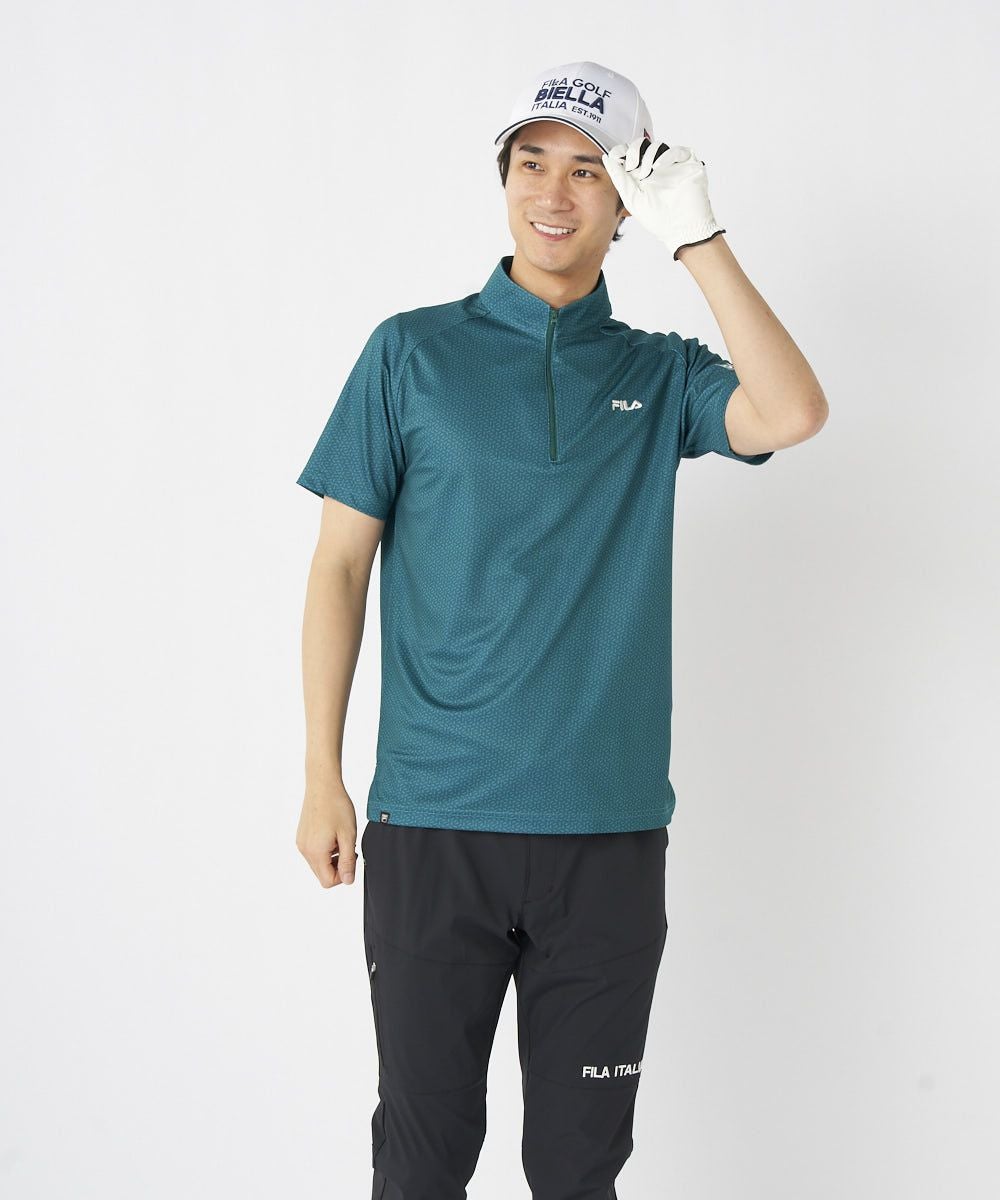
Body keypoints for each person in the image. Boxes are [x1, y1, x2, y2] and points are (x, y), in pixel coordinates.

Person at [295, 59, 827, 1200]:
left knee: (579, 1171)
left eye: (588, 172)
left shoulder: (658, 374)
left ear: (624, 202)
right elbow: (339, 566)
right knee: (422, 1160)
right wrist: (321, 775)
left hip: (607, 834)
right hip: (434, 821)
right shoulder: (409, 353)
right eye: (531, 163)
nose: (553, 192)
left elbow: (791, 411)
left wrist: (699, 241)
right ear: (502, 179)